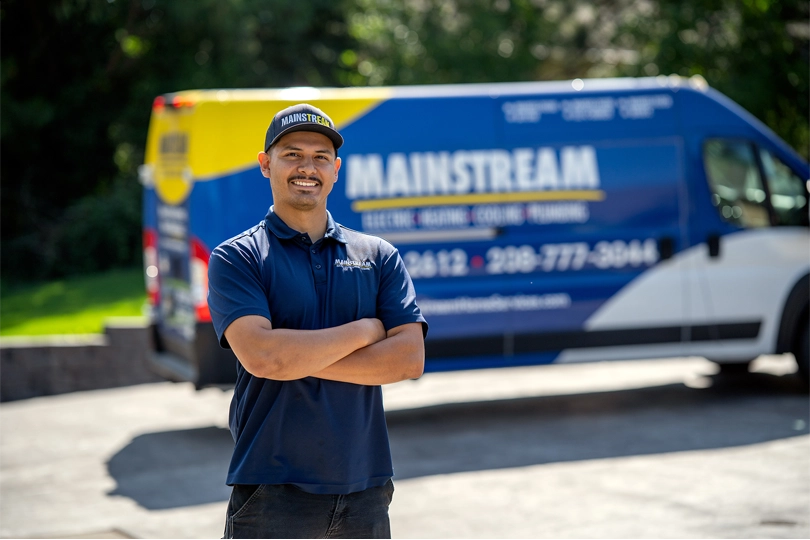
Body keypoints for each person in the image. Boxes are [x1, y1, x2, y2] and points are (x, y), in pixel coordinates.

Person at [207, 103, 428, 540]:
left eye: (320, 157)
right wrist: (364, 332)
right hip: (273, 490)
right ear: (265, 165)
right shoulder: (238, 257)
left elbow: (408, 360)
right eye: (292, 154)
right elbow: (265, 358)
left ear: (335, 170)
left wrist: (293, 357)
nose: (307, 167)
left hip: (366, 487)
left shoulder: (378, 256)